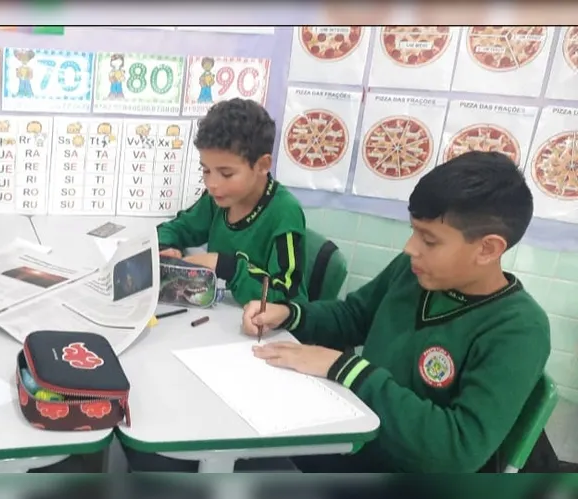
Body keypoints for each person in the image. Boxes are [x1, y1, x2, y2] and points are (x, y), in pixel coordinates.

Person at [242, 151, 551, 473]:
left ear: (487, 249)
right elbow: (355, 316)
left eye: (429, 240)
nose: (410, 248)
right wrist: (291, 315)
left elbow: (457, 450)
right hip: (356, 436)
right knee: (241, 441)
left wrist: (346, 369)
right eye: (414, 231)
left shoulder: (518, 329)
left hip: (406, 469)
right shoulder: (414, 271)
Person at [156, 98, 307, 305]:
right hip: (220, 317)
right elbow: (176, 228)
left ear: (262, 165)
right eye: (206, 170)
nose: (212, 184)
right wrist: (167, 247)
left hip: (259, 332)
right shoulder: (218, 200)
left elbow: (289, 300)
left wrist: (227, 267)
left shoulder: (284, 213)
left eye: (226, 174)